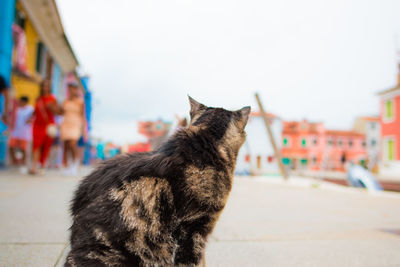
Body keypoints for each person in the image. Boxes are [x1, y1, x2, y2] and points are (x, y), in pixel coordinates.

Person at [28, 80, 59, 174]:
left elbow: (58, 112)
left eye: (46, 86)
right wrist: (30, 117)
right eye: (43, 86)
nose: (44, 88)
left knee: (45, 146)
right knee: (36, 145)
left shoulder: (52, 99)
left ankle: (42, 165)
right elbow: (35, 110)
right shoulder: (38, 99)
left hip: (48, 125)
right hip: (37, 124)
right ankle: (34, 166)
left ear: (49, 87)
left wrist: (51, 107)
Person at [60, 82, 86, 175]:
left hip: (75, 124)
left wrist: (84, 129)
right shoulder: (65, 101)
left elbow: (83, 115)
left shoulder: (80, 101)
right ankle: (67, 166)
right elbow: (61, 112)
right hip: (66, 123)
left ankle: (76, 163)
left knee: (72, 144)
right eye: (69, 89)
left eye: (73, 89)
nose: (71, 91)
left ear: (76, 90)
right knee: (66, 146)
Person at [9, 96, 33, 171]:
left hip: (25, 132)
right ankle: (15, 162)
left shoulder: (30, 109)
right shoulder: (17, 109)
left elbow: (33, 118)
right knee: (11, 146)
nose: (20, 103)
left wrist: (30, 120)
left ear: (25, 102)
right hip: (15, 132)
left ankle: (24, 164)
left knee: (23, 149)